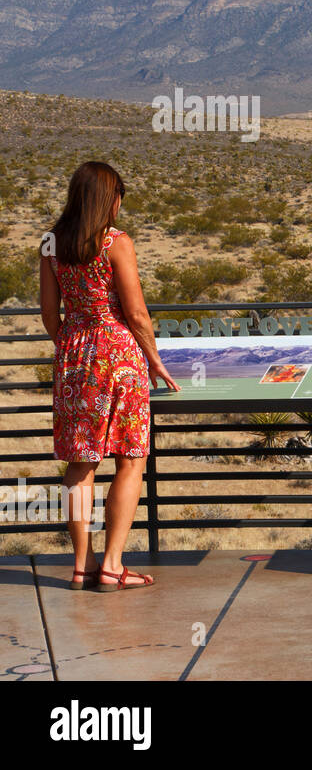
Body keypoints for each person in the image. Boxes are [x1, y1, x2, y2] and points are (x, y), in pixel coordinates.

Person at [38, 162, 179, 592]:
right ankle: (113, 565)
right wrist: (154, 358)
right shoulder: (116, 243)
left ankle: (81, 566)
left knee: (80, 463)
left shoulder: (50, 244)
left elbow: (48, 315)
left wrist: (73, 347)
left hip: (74, 357)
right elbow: (135, 312)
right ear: (108, 197)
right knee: (130, 457)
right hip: (119, 355)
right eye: (120, 195)